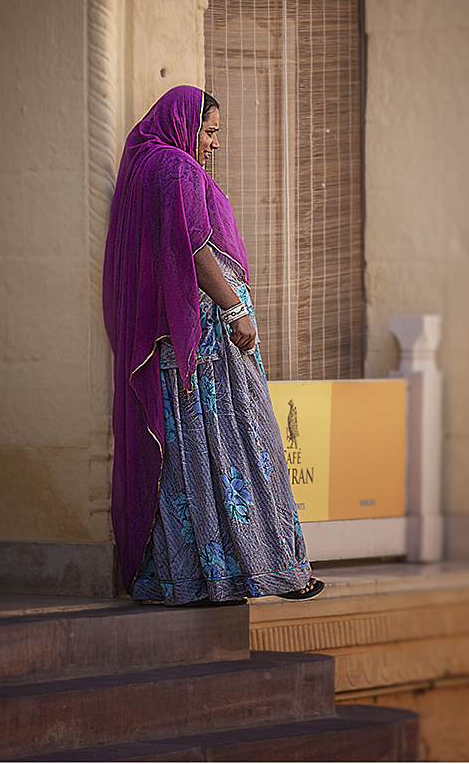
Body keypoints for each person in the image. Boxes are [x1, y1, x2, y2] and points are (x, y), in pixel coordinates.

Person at [103, 84, 324, 605]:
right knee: (240, 442)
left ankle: (196, 579)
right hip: (207, 340)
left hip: (181, 343)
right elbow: (193, 245)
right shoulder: (175, 169)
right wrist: (235, 308)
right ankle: (271, 569)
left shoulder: (144, 167)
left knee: (192, 456)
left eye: (217, 133)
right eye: (210, 130)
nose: (215, 143)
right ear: (184, 123)